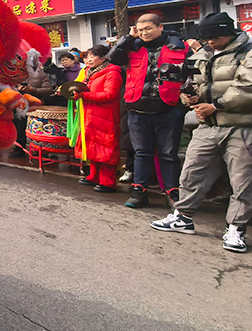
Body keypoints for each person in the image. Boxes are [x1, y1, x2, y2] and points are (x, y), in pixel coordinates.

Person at [150, 12, 252, 253]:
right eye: (206, 37)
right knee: (192, 171)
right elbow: (195, 83)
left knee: (244, 179)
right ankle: (183, 216)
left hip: (245, 127)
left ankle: (237, 228)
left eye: (215, 37)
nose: (210, 42)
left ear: (228, 32)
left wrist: (216, 105)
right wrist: (190, 97)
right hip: (209, 124)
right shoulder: (203, 55)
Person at [108, 13, 189, 208]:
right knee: (141, 153)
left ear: (160, 27)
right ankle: (139, 191)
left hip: (168, 108)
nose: (144, 33)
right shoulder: (132, 47)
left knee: (168, 154)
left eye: (148, 28)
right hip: (138, 109)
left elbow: (191, 73)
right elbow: (113, 59)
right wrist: (129, 37)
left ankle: (172, 191)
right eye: (140, 29)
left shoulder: (178, 46)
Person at [70, 45, 123, 192]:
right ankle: (94, 176)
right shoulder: (88, 72)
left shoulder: (113, 72)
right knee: (93, 146)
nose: (88, 60)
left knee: (107, 147)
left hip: (106, 115)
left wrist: (84, 96)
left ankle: (108, 181)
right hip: (89, 114)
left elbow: (110, 94)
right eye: (87, 57)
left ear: (104, 57)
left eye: (92, 56)